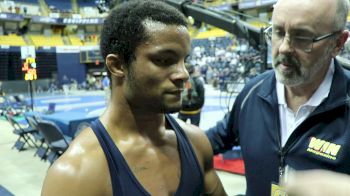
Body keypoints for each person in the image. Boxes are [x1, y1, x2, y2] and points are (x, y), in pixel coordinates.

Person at [41, 1, 226, 196]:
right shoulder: (75, 175)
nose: (183, 74)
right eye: (163, 60)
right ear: (118, 65)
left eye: (184, 60)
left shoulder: (197, 142)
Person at [205, 0, 350, 195]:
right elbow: (210, 141)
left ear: (338, 43)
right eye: (278, 32)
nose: (283, 48)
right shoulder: (252, 93)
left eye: (302, 37)